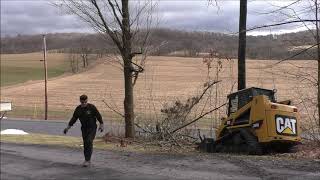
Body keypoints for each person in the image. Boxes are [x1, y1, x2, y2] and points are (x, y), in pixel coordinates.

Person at [63, 94, 104, 167]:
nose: (84, 104)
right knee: (85, 143)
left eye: (85, 102)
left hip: (92, 128)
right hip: (84, 128)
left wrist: (101, 124)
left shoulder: (91, 107)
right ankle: (86, 159)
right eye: (82, 102)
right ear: (80, 101)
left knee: (89, 141)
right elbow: (73, 119)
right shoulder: (78, 109)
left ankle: (88, 160)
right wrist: (67, 128)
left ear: (87, 100)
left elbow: (98, 115)